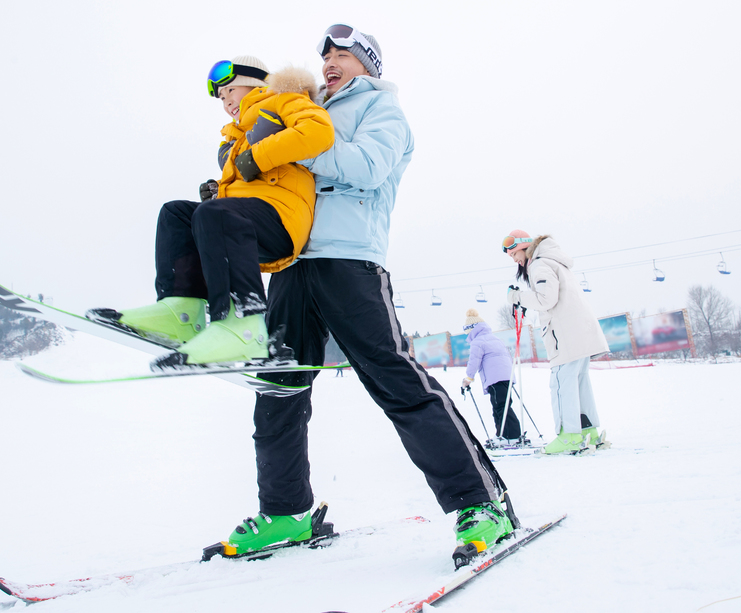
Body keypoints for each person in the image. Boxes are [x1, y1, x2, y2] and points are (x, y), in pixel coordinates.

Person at [224, 25, 518, 558]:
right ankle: (285, 512)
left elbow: (366, 168)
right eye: (327, 57)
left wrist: (294, 150)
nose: (331, 63)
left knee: (397, 381)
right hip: (292, 263)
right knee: (279, 390)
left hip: (349, 259)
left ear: (368, 65)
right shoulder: (304, 107)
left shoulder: (381, 111)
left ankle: (480, 503)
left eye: (343, 56)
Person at [96, 56, 334, 367]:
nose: (226, 103)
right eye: (221, 98)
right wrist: (219, 192)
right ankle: (181, 312)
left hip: (283, 220)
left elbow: (318, 132)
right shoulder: (236, 134)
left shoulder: (282, 100)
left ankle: (245, 327)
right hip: (249, 220)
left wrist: (256, 158)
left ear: (255, 82)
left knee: (214, 214)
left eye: (229, 92)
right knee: (177, 214)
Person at [503, 231, 610, 454]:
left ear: (525, 247)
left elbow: (546, 299)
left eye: (515, 254)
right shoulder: (554, 260)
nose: (514, 260)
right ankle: (588, 432)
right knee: (579, 382)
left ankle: (569, 435)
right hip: (579, 333)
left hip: (565, 335)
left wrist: (518, 297)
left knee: (561, 384)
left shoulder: (539, 265)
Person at [460, 308, 523, 443]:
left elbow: (474, 361)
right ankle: (504, 434)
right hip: (507, 376)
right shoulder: (495, 339)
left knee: (500, 406)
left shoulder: (478, 342)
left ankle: (510, 436)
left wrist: (468, 378)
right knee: (504, 405)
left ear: (471, 329)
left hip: (495, 378)